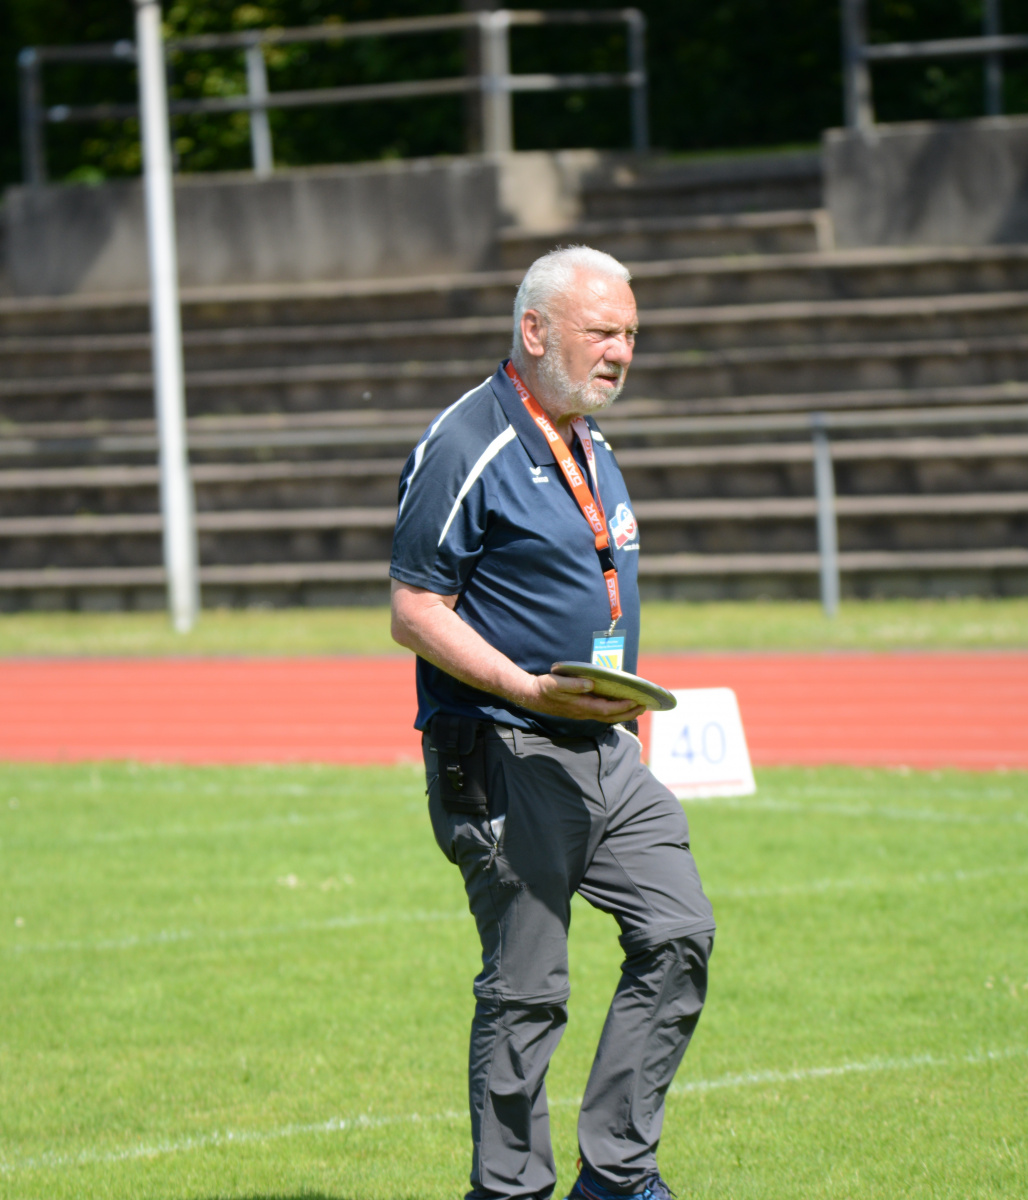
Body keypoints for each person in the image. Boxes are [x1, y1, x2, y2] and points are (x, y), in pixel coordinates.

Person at [389, 245, 715, 1200]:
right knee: (528, 988)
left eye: (631, 335)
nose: (621, 352)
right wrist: (529, 691)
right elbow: (415, 609)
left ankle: (615, 1176)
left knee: (678, 931)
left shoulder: (586, 438)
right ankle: (509, 1191)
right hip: (503, 746)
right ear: (535, 331)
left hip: (604, 747)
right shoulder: (465, 442)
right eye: (602, 331)